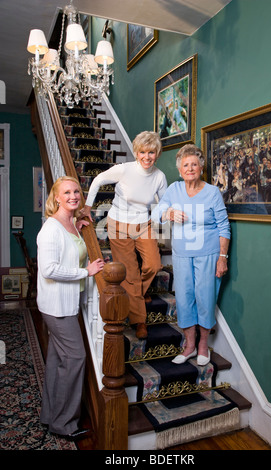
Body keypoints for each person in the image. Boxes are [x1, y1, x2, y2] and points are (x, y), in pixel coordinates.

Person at [80, 131, 167, 339]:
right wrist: (87, 207)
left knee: (154, 264)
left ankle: (138, 294)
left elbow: (163, 203)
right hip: (118, 224)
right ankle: (140, 321)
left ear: (157, 154)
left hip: (142, 224)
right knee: (130, 272)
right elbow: (98, 180)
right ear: (137, 153)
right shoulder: (124, 170)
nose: (147, 157)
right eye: (143, 152)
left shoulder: (159, 177)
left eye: (152, 152)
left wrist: (165, 217)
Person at [37, 176, 105, 439]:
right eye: (67, 192)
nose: (73, 196)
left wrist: (78, 225)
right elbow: (49, 269)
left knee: (57, 360)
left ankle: (50, 415)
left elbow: (70, 247)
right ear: (56, 197)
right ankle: (64, 424)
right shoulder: (51, 228)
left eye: (77, 191)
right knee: (76, 357)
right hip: (57, 307)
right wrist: (85, 272)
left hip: (67, 304)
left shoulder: (70, 224)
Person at [152, 144, 230, 366]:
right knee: (185, 299)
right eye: (185, 165)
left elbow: (224, 226)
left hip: (209, 254)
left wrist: (222, 257)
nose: (190, 168)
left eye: (194, 164)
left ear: (201, 167)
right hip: (182, 255)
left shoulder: (212, 192)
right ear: (179, 170)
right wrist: (168, 212)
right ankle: (189, 346)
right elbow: (156, 213)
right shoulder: (174, 190)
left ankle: (203, 345)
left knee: (205, 299)